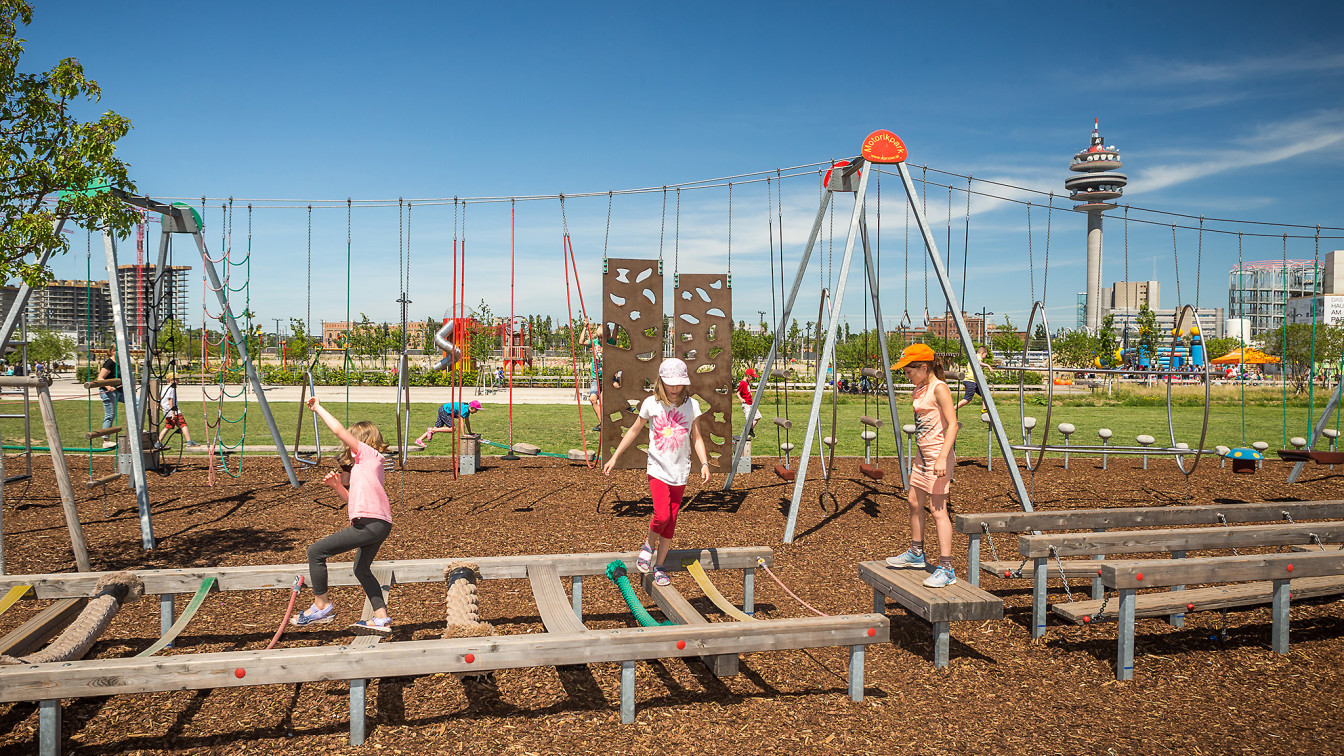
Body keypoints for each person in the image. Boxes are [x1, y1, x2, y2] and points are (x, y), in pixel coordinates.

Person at [602, 358, 711, 587]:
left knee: (671, 521)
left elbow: (697, 437)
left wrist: (704, 463)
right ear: (660, 382)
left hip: (680, 472)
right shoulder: (651, 403)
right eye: (670, 383)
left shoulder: (692, 406)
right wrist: (614, 457)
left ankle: (659, 566)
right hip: (658, 469)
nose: (674, 388)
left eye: (678, 384)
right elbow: (633, 430)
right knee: (661, 515)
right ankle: (648, 546)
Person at [292, 396, 394, 635]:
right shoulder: (364, 466)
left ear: (360, 440)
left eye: (351, 440)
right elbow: (355, 503)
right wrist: (338, 488)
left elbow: (338, 430)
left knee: (315, 551)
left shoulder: (368, 455)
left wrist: (318, 408)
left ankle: (322, 605)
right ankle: (380, 618)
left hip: (370, 524)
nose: (347, 445)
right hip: (377, 524)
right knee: (361, 568)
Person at [885, 343, 960, 588]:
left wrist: (941, 458)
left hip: (939, 457)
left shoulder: (939, 388)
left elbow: (953, 425)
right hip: (923, 456)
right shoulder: (920, 388)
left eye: (908, 371)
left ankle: (947, 568)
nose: (906, 376)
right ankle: (916, 554)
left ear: (923, 367)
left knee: (938, 510)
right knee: (913, 501)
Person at [153, 373, 201, 450]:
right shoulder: (172, 388)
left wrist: (160, 407)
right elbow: (170, 400)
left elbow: (161, 397)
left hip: (167, 411)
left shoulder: (165, 388)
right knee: (183, 424)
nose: (178, 381)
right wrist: (173, 412)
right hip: (173, 411)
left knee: (168, 426)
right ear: (171, 380)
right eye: (177, 379)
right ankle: (189, 442)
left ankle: (158, 443)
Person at [414, 400, 481, 448]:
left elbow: (467, 422)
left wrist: (470, 432)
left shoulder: (467, 410)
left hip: (443, 409)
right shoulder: (464, 409)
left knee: (437, 427)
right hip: (445, 411)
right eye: (476, 410)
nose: (476, 412)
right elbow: (461, 422)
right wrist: (464, 434)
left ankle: (419, 439)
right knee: (452, 429)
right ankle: (432, 430)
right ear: (472, 408)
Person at [95, 349, 124, 447]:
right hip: (108, 392)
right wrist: (108, 387)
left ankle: (138, 430)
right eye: (118, 349)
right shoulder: (109, 363)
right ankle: (106, 441)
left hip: (120, 391)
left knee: (137, 403)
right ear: (113, 352)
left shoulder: (121, 362)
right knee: (110, 415)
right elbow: (100, 378)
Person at [955, 345, 993, 413]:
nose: (985, 357)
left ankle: (984, 409)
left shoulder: (974, 357)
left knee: (985, 394)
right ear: (982, 353)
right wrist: (988, 365)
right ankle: (952, 409)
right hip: (970, 381)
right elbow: (978, 363)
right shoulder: (977, 357)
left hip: (973, 381)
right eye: (985, 355)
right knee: (967, 399)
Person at [737, 368, 761, 437]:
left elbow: (747, 391)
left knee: (758, 416)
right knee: (749, 419)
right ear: (748, 376)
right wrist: (741, 399)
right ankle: (746, 433)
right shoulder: (742, 383)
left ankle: (750, 430)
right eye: (752, 377)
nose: (752, 379)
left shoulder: (747, 383)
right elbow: (738, 393)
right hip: (746, 404)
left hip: (751, 403)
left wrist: (753, 391)